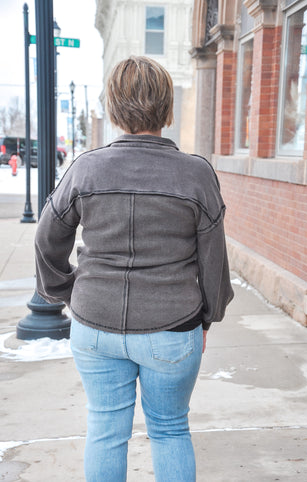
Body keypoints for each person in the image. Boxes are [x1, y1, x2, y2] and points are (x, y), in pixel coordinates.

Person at [35, 56, 234, 482]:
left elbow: (47, 239)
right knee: (170, 430)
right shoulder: (196, 174)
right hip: (172, 328)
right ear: (166, 107)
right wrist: (208, 318)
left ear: (114, 107)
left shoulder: (86, 168)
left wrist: (68, 292)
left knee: (105, 432)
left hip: (95, 325)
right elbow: (214, 259)